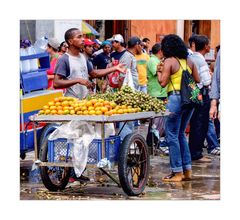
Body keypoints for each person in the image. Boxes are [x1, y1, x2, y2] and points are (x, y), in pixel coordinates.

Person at [53, 28, 126, 182]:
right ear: (70, 41)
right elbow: (57, 82)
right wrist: (78, 80)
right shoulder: (64, 59)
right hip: (71, 105)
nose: (83, 39)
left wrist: (114, 68)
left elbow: (94, 74)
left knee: (86, 137)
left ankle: (79, 168)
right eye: (79, 37)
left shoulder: (83, 58)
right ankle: (71, 170)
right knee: (73, 137)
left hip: (86, 104)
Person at [158, 34, 200, 182]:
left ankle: (177, 172)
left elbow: (162, 83)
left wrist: (159, 71)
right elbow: (198, 80)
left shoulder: (169, 61)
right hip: (189, 100)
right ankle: (187, 170)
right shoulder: (190, 61)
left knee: (171, 135)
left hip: (175, 98)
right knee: (181, 134)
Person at [188, 35, 213, 162]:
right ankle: (196, 153)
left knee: (195, 123)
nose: (210, 46)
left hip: (193, 94)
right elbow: (207, 81)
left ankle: (194, 151)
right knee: (200, 124)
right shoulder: (201, 60)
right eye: (209, 44)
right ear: (204, 46)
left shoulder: (191, 58)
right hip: (202, 94)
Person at [146, 43, 168, 155]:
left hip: (160, 93)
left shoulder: (157, 60)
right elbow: (159, 73)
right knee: (157, 122)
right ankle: (153, 144)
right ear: (160, 51)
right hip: (156, 93)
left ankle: (151, 144)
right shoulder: (153, 61)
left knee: (157, 121)